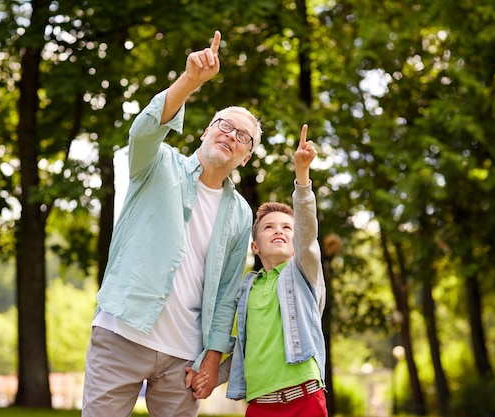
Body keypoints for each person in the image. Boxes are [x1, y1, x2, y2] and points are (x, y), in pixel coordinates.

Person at [81, 30, 263, 417]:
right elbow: (143, 130)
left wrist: (213, 358)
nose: (230, 136)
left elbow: (228, 292)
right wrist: (190, 81)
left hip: (183, 357)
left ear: (245, 158)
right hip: (122, 334)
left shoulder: (241, 213)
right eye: (224, 125)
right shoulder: (157, 163)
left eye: (243, 137)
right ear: (205, 130)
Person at [188, 124, 328, 417]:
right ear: (255, 246)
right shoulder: (247, 290)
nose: (279, 232)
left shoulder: (303, 274)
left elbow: (307, 234)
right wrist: (212, 376)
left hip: (304, 399)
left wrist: (302, 175)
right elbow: (245, 349)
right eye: (268, 227)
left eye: (286, 228)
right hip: (259, 405)